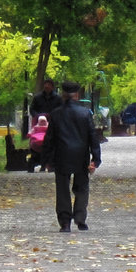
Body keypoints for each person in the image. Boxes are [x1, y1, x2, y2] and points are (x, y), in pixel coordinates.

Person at [42, 81, 102, 232]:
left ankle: (65, 222)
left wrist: (47, 160)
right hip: (81, 155)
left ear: (63, 94)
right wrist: (96, 158)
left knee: (62, 189)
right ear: (77, 95)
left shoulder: (56, 114)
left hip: (61, 154)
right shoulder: (85, 113)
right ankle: (80, 219)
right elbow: (92, 137)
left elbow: (49, 138)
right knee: (82, 187)